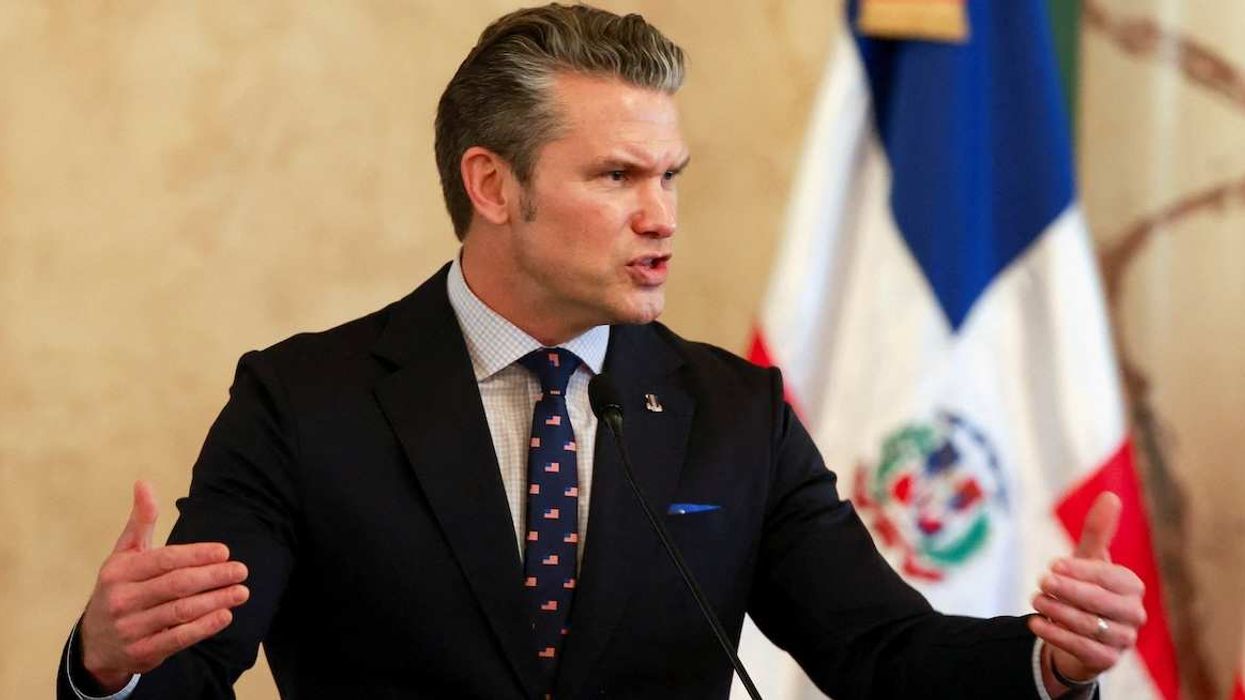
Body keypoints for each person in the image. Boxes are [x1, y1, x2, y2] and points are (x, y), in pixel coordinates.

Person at [58, 4, 1146, 698]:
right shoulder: (304, 401)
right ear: (494, 186)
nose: (662, 216)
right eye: (617, 177)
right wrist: (106, 667)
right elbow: (188, 666)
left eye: (670, 176)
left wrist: (1047, 662)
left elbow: (883, 653)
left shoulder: (735, 412)